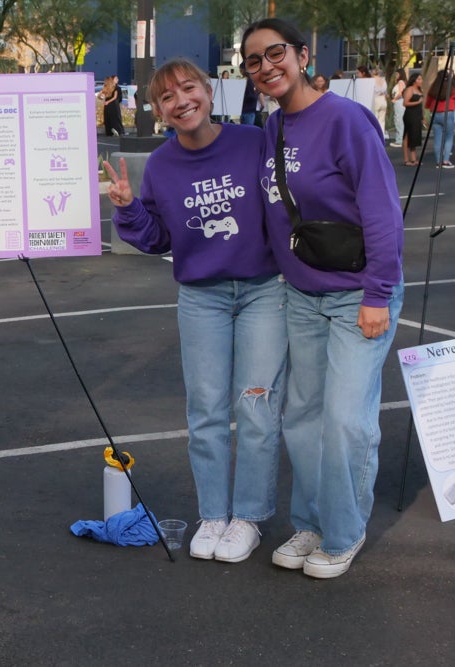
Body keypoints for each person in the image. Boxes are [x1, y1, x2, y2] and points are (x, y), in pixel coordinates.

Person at [103, 57, 286, 564]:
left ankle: (247, 516)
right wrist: (126, 206)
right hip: (201, 297)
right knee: (205, 410)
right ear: (158, 110)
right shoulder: (161, 164)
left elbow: (287, 200)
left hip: (262, 291)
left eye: (189, 89)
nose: (181, 101)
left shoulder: (252, 142)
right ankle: (213, 515)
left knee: (255, 407)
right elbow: (158, 235)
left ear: (209, 91)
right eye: (167, 97)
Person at [242, 18, 404, 579]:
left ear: (304, 55)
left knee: (345, 422)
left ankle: (344, 532)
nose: (266, 67)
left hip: (358, 294)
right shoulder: (272, 127)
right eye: (253, 61)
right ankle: (310, 521)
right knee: (303, 418)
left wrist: (378, 293)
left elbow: (382, 210)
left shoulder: (346, 120)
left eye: (275, 53)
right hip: (303, 297)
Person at [425, 69, 455, 168]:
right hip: (448, 112)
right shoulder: (451, 87)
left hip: (435, 113)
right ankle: (445, 160)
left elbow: (428, 103)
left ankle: (438, 161)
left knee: (438, 138)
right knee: (449, 137)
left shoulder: (434, 88)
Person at [402, 73, 424, 166]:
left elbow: (421, 105)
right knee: (408, 136)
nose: (421, 81)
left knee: (414, 136)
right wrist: (417, 102)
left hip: (417, 115)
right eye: (419, 79)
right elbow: (405, 103)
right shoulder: (410, 89)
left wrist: (423, 117)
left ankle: (414, 158)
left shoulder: (419, 90)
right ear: (414, 80)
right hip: (410, 115)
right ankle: (406, 159)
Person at [390, 69, 407, 147]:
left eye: (397, 74)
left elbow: (400, 92)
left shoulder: (400, 82)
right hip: (400, 102)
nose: (396, 76)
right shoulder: (401, 82)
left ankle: (399, 140)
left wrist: (395, 99)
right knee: (399, 120)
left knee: (398, 120)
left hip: (399, 102)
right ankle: (400, 139)